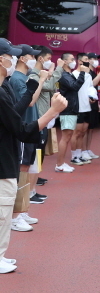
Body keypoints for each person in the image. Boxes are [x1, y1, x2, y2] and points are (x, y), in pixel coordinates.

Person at [1, 38, 68, 274]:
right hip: (3, 160)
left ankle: (1, 254)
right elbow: (21, 128)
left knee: (5, 210)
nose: (15, 59)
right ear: (2, 60)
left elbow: (14, 115)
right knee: (2, 211)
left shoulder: (4, 86)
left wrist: (31, 89)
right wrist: (52, 111)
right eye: (10, 55)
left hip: (6, 156)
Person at [8, 44, 48, 230]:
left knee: (29, 167)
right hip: (22, 129)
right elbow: (30, 102)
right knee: (22, 169)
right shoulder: (17, 79)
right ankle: (16, 215)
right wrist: (41, 80)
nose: (36, 59)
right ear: (23, 58)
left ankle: (22, 211)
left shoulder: (22, 77)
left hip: (31, 128)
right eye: (32, 55)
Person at [29, 45, 63, 196]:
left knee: (39, 154)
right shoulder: (34, 75)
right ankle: (30, 190)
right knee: (35, 155)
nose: (51, 62)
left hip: (43, 119)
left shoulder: (43, 74)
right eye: (49, 59)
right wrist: (58, 69)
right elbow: (49, 85)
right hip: (38, 119)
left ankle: (33, 186)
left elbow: (53, 87)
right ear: (40, 58)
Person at [56, 52, 86, 172]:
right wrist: (83, 73)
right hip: (67, 110)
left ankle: (61, 163)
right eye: (71, 59)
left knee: (67, 137)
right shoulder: (64, 75)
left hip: (71, 109)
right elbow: (74, 87)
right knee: (65, 137)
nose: (74, 61)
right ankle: (59, 164)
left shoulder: (69, 74)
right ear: (64, 61)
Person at [70, 53, 94, 166]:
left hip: (86, 107)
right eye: (85, 59)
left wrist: (92, 97)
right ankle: (74, 156)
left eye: (88, 59)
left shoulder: (88, 75)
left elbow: (90, 88)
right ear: (79, 61)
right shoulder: (74, 74)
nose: (88, 61)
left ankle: (80, 155)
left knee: (83, 132)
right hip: (77, 107)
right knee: (76, 132)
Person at [82, 52, 100, 160]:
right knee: (85, 128)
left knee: (91, 128)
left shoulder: (93, 72)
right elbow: (93, 84)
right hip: (87, 103)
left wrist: (99, 103)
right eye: (94, 58)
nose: (96, 60)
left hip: (94, 103)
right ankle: (82, 150)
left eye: (97, 58)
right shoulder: (88, 72)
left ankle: (87, 149)